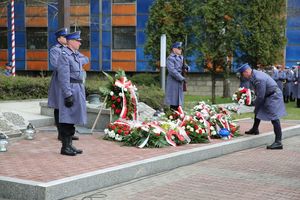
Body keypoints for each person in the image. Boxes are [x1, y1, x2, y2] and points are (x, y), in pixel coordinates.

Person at [238, 63, 286, 150]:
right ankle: (255, 129)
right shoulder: (253, 75)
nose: (243, 76)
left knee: (274, 117)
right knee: (259, 110)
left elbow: (260, 96)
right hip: (268, 95)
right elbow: (257, 92)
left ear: (246, 72)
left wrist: (254, 105)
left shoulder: (258, 78)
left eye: (242, 74)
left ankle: (278, 142)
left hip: (273, 96)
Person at [56, 31, 89, 156]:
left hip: (78, 88)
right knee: (66, 119)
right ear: (70, 41)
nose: (80, 43)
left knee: (73, 118)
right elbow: (63, 77)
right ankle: (65, 147)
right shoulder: (64, 55)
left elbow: (85, 61)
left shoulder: (75, 54)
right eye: (77, 40)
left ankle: (70, 145)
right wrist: (67, 94)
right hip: (70, 89)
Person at [47, 28, 79, 141]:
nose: (66, 39)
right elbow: (56, 65)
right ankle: (61, 133)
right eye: (64, 37)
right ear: (59, 38)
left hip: (71, 81)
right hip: (59, 81)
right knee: (59, 107)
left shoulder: (69, 49)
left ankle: (69, 133)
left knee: (69, 106)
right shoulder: (55, 50)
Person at [164, 42, 189, 111]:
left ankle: (178, 117)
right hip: (173, 82)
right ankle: (172, 117)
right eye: (179, 48)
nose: (180, 50)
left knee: (179, 102)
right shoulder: (170, 58)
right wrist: (181, 78)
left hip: (179, 82)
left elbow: (186, 66)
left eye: (181, 48)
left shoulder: (181, 57)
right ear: (174, 49)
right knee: (173, 101)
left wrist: (187, 68)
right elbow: (172, 71)